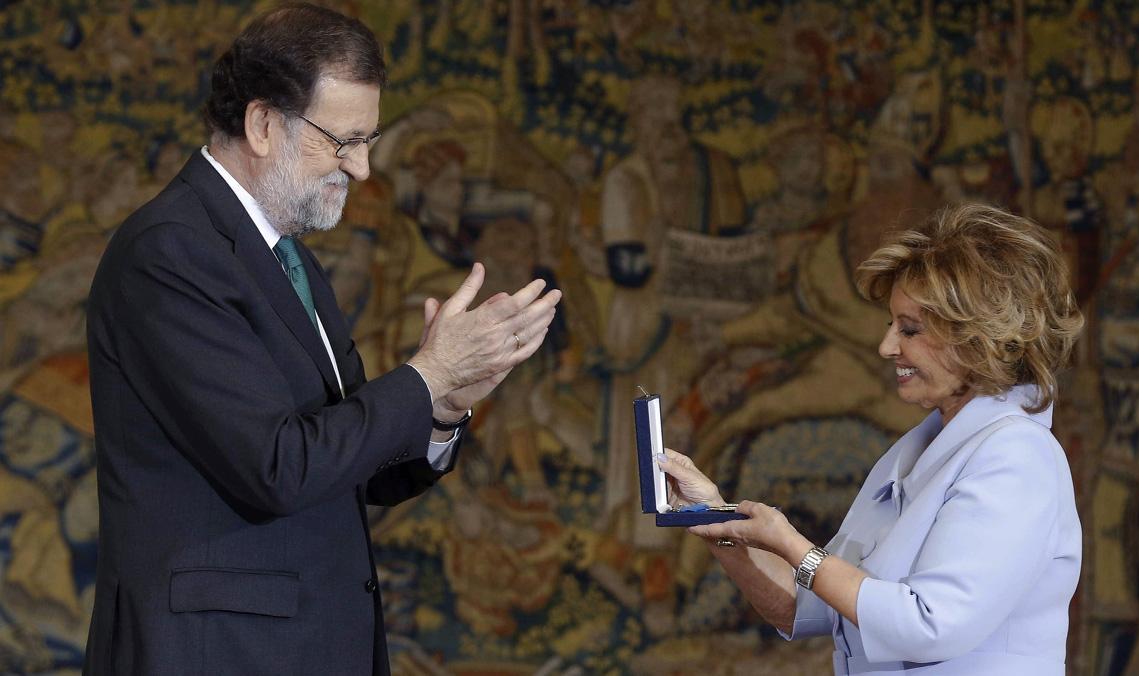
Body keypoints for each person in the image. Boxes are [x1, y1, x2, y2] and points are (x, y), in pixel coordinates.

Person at [82, 4, 560, 675]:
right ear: (262, 123)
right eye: (345, 141)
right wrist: (426, 375)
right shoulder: (170, 253)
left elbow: (349, 464)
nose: (363, 169)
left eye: (368, 141)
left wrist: (447, 403)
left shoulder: (288, 259)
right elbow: (280, 468)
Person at [659, 203, 1085, 675]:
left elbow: (930, 623)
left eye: (910, 329)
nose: (886, 347)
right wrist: (717, 519)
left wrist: (795, 546)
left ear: (978, 336)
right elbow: (803, 608)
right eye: (891, 325)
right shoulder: (909, 454)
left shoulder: (1017, 457)